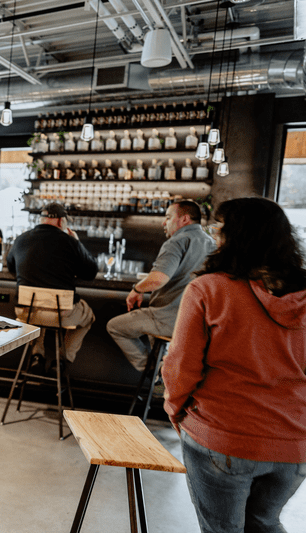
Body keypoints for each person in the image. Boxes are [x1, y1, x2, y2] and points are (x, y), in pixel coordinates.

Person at [162, 197, 306, 533]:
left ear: (233, 236)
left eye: (219, 229)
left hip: (224, 434)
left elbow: (181, 366)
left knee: (222, 529)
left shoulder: (208, 289)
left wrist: (175, 408)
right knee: (265, 522)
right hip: (295, 441)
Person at [107, 200, 215, 372]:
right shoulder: (211, 242)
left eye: (168, 217)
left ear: (184, 219)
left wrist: (136, 289)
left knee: (115, 326)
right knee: (160, 342)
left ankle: (154, 372)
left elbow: (158, 279)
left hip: (169, 317)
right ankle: (166, 376)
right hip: (198, 321)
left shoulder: (177, 241)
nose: (164, 223)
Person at [6, 202, 98, 363]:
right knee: (89, 317)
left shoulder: (21, 239)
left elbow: (11, 266)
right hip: (62, 313)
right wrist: (77, 242)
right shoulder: (70, 242)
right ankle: (63, 360)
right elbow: (91, 272)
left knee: (38, 309)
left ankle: (37, 354)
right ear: (62, 222)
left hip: (26, 311)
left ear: (41, 219)